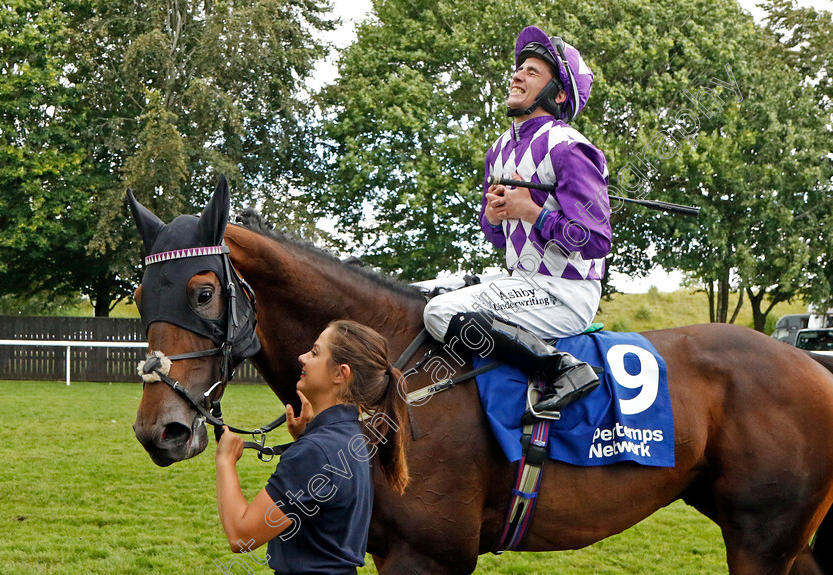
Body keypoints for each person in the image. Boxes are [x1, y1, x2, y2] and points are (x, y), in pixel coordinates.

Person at [423, 26, 612, 415]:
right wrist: (494, 217)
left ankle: (564, 369)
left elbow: (595, 240)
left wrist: (535, 213)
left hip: (566, 292)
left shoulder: (571, 148)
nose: (517, 75)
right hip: (520, 281)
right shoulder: (499, 150)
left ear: (558, 94)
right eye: (520, 68)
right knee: (414, 294)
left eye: (532, 72)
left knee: (439, 313)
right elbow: (500, 236)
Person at [215, 320, 409, 575]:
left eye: (315, 353)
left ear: (340, 373)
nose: (302, 357)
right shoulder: (352, 438)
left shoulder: (317, 451)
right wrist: (305, 438)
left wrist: (225, 462)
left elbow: (241, 536)